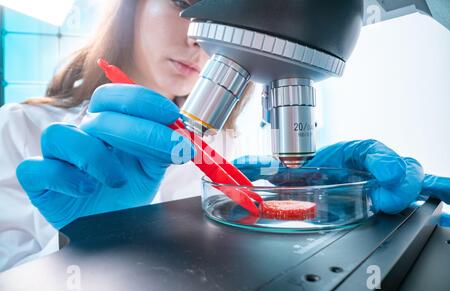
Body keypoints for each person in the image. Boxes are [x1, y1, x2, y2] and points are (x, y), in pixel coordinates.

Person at [0, 0, 448, 272]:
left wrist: (339, 194)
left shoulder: (232, 151)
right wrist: (78, 243)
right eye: (186, 2)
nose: (198, 43)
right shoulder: (17, 130)